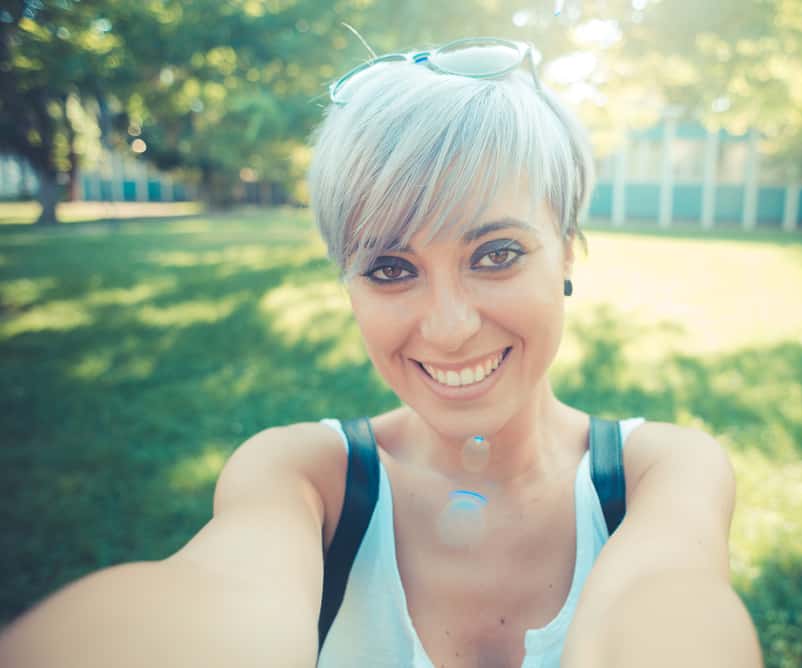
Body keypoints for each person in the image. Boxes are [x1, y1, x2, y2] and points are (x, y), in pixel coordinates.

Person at [0, 38, 762, 668]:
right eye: (390, 268)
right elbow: (219, 599)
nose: (451, 325)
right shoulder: (306, 478)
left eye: (496, 253)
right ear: (349, 285)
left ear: (566, 250)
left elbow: (666, 609)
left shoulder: (662, 473)